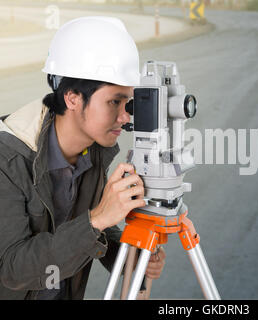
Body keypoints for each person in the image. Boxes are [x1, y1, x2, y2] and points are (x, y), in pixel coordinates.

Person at [0, 16, 165, 300]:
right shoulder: (9, 159)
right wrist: (97, 219)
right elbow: (12, 271)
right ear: (73, 97)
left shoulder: (93, 150)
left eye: (128, 102)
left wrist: (129, 257)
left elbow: (87, 222)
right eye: (114, 101)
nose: (126, 117)